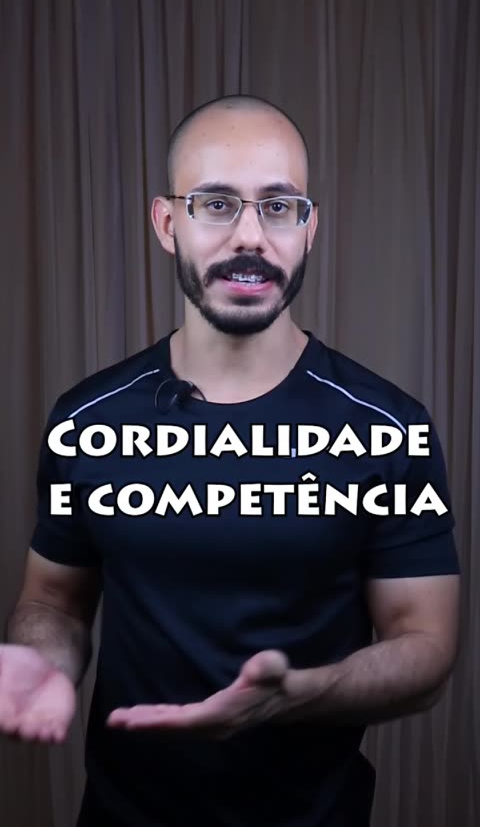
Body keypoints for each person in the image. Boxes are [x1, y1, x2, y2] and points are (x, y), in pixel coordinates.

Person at [2, 95, 460, 827]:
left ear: (308, 229)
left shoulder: (388, 427)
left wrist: (302, 694)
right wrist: (39, 659)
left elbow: (425, 644)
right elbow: (53, 601)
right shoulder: (87, 420)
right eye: (216, 204)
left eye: (279, 208)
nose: (251, 236)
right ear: (166, 224)